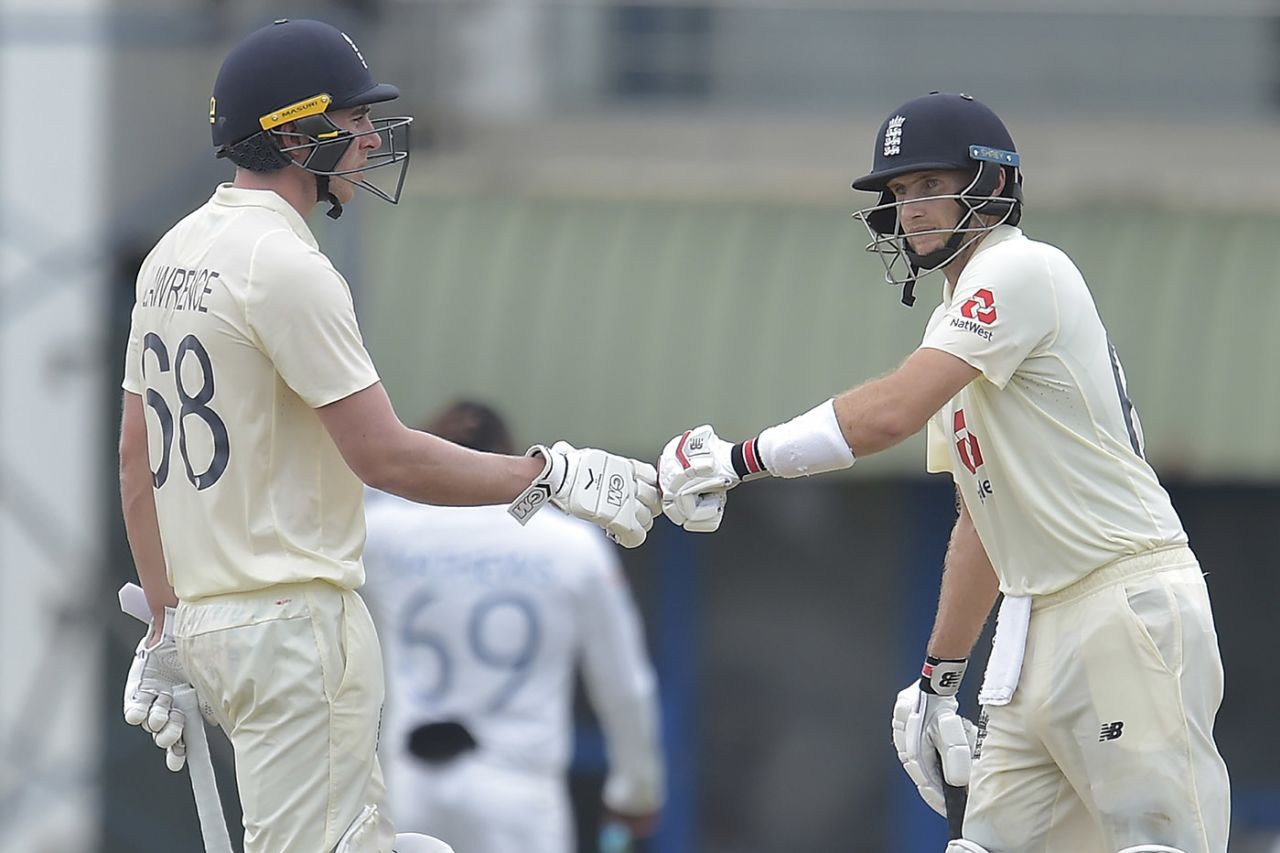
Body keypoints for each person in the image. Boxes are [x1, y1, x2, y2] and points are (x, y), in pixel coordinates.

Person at [117, 19, 658, 853]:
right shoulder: (288, 265)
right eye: (352, 118)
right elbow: (387, 455)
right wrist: (547, 475)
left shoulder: (171, 256)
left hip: (216, 626)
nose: (370, 137)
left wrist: (165, 620)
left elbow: (134, 461)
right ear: (293, 133)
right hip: (297, 630)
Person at [656, 92, 1229, 853]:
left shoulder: (1023, 268)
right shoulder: (952, 322)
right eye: (899, 193)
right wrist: (940, 677)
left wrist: (736, 459)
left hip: (1125, 597)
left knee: (1158, 844)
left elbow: (887, 414)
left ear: (993, 186)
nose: (913, 209)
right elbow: (979, 521)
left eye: (929, 185)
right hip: (1036, 622)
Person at [361, 400, 665, 853]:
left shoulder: (378, 535)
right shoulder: (571, 544)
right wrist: (635, 790)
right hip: (521, 795)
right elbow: (624, 683)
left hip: (410, 787)